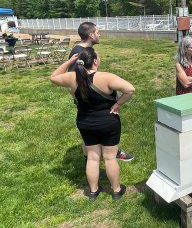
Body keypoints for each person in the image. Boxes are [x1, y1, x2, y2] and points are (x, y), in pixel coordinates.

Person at [50, 47, 135, 200]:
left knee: (92, 157)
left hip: (85, 122)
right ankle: (116, 190)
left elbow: (53, 77)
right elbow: (130, 89)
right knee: (109, 158)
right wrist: (118, 105)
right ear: (95, 61)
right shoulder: (106, 77)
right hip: (108, 121)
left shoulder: (72, 77)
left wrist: (69, 61)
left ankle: (93, 191)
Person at [68, 22, 134, 162]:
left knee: (106, 127)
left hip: (98, 103)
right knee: (92, 132)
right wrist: (79, 100)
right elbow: (72, 80)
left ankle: (110, 150)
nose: (99, 34)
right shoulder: (78, 53)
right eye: (98, 32)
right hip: (89, 104)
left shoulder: (88, 51)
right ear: (91, 35)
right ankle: (91, 160)